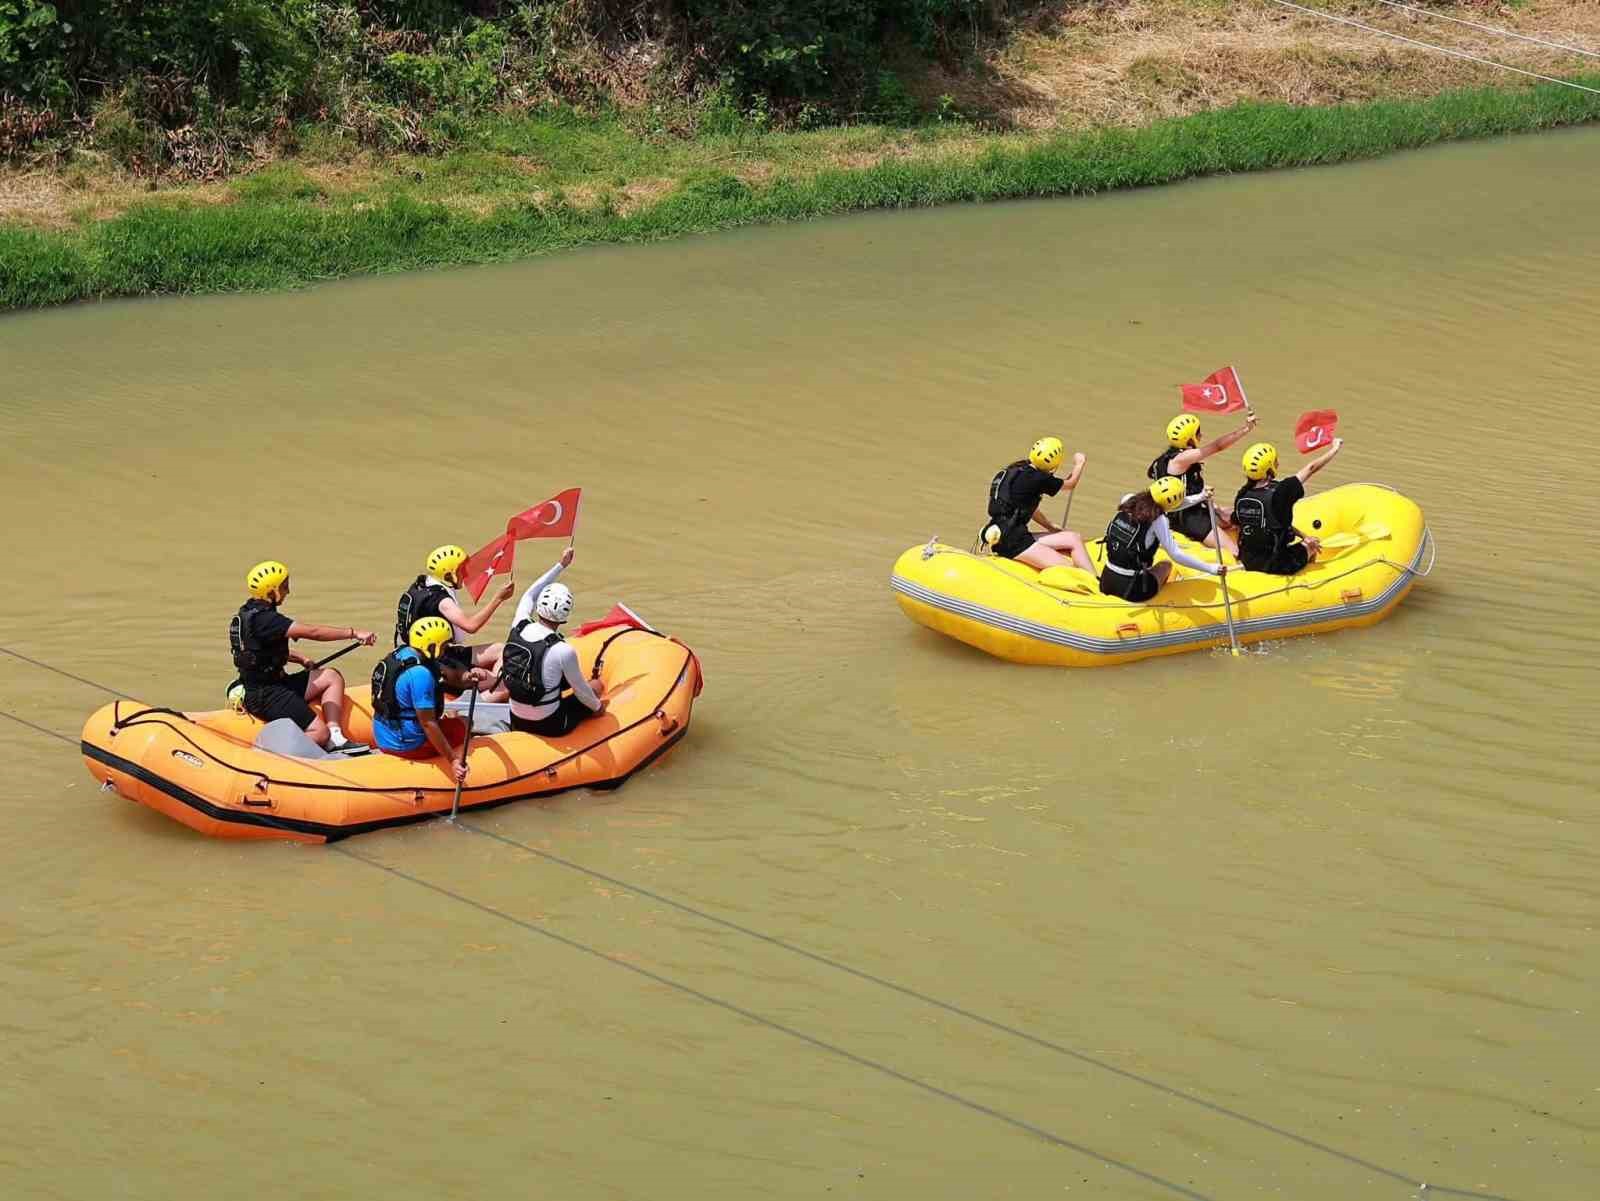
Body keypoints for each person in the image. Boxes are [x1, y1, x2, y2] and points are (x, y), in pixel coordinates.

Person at [229, 560, 376, 751]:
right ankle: (273, 757)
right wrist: (354, 633)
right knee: (318, 733)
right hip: (265, 694)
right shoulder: (267, 620)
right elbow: (313, 632)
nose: (287, 591)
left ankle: (336, 737)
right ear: (271, 591)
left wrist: (301, 659)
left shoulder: (246, 613)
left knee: (331, 676)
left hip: (276, 684)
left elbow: (260, 653)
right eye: (284, 587)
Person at [370, 616, 488, 782]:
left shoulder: (403, 654)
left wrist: (469, 675)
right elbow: (428, 723)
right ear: (432, 646)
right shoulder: (420, 675)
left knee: (448, 716)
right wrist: (453, 760)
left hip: (383, 735)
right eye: (445, 645)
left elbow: (446, 672)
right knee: (466, 722)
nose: (447, 649)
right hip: (407, 745)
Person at [502, 583, 608, 737]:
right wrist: (599, 709)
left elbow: (529, 594)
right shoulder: (563, 650)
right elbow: (581, 691)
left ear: (539, 605)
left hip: (516, 717)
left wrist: (561, 565)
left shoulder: (519, 625)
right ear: (565, 615)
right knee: (595, 686)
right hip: (548, 724)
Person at [1147, 408, 1258, 555]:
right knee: (1234, 551)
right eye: (1198, 433)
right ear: (1189, 438)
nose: (1201, 435)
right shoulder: (1181, 460)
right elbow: (1217, 446)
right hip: (1188, 519)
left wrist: (1216, 509)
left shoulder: (1163, 459)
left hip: (1191, 509)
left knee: (1237, 515)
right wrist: (1246, 429)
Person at [1098, 477, 1228, 602]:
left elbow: (1168, 506)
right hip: (1131, 589)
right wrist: (1211, 568)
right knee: (1166, 565)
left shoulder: (1128, 500)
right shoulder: (1159, 521)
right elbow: (1176, 554)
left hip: (1107, 580)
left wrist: (1200, 497)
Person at [394, 544, 516, 672]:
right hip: (436, 658)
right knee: (502, 651)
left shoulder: (421, 585)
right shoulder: (442, 601)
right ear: (449, 575)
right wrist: (498, 598)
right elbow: (471, 626)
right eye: (461, 570)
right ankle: (495, 689)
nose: (466, 573)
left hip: (415, 651)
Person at [981, 436, 1094, 572]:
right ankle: (1091, 584)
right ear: (1054, 464)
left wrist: (1050, 527)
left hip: (1003, 532)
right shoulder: (1039, 478)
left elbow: (1027, 508)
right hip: (1014, 541)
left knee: (1073, 538)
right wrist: (1079, 463)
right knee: (1069, 568)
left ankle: (1094, 581)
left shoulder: (1015, 470)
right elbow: (1070, 484)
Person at [1234, 438, 1345, 575]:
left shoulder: (1242, 495)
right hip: (1275, 563)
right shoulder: (1280, 493)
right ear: (1268, 468)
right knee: (1312, 545)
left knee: (1305, 540)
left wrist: (1303, 535)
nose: (1278, 463)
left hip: (1248, 560)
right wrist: (1334, 449)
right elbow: (1311, 468)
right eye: (1275, 462)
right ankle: (1310, 578)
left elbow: (1269, 523)